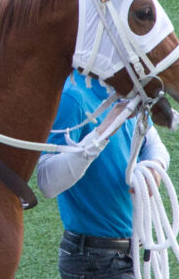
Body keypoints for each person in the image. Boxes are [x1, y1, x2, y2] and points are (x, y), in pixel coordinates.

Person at [37, 69, 169, 279]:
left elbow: (152, 143)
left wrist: (153, 168)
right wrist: (102, 133)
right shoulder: (72, 98)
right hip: (93, 260)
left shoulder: (127, 88)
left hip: (133, 252)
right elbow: (47, 181)